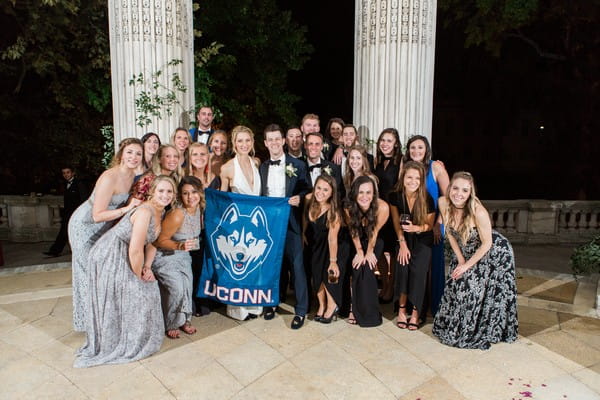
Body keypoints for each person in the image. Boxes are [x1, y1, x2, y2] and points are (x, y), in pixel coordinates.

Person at [73, 175, 176, 367]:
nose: (165, 195)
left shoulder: (160, 212)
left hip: (127, 251)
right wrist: (140, 276)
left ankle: (136, 335)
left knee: (147, 289)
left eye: (169, 191)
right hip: (111, 252)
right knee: (139, 289)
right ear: (152, 191)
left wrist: (146, 267)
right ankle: (121, 341)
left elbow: (152, 242)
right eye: (161, 191)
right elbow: (135, 249)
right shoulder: (145, 211)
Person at [432, 172, 518, 349]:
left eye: (465, 190)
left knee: (473, 289)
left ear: (470, 193)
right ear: (449, 188)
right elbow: (449, 232)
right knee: (455, 281)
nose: (459, 194)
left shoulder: (478, 212)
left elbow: (487, 244)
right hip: (465, 252)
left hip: (492, 253)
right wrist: (461, 261)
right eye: (455, 188)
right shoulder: (442, 202)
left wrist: (467, 266)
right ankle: (454, 325)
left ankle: (481, 329)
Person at [68, 138, 144, 333]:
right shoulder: (110, 176)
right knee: (91, 275)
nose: (133, 157)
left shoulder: (132, 176)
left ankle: (102, 321)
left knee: (104, 274)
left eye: (138, 153)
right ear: (121, 154)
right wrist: (127, 209)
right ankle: (94, 325)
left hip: (103, 229)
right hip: (84, 228)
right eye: (130, 152)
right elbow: (97, 215)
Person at [259, 124, 310, 329]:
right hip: (269, 225)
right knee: (272, 266)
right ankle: (271, 303)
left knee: (297, 267)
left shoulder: (298, 165)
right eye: (269, 140)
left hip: (292, 223)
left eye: (277, 139)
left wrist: (299, 197)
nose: (273, 143)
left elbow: (308, 189)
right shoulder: (261, 167)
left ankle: (301, 310)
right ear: (265, 143)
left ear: (283, 141)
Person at [220, 125, 263, 320]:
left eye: (247, 140)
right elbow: (222, 199)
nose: (244, 144)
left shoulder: (257, 162)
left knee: (254, 264)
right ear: (234, 144)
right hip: (237, 224)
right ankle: (238, 309)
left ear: (252, 142)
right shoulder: (227, 168)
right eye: (240, 141)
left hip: (255, 222)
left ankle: (254, 306)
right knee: (238, 265)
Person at [403, 134, 450, 315]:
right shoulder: (405, 167)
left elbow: (447, 198)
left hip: (434, 224)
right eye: (413, 147)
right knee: (415, 266)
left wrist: (439, 223)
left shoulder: (436, 167)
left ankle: (435, 304)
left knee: (434, 266)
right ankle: (415, 304)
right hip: (412, 227)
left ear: (426, 150)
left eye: (420, 147)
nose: (416, 151)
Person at [153, 176, 204, 339]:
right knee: (177, 288)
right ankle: (172, 323)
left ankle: (185, 320)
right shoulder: (177, 214)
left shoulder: (200, 210)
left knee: (187, 288)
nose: (190, 197)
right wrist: (178, 246)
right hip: (165, 256)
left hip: (184, 256)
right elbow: (159, 240)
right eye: (185, 193)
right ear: (180, 196)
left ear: (200, 193)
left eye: (194, 192)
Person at [389, 161, 435, 330]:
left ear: (421, 180)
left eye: (417, 178)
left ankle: (416, 313)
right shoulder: (395, 196)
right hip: (403, 239)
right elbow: (395, 222)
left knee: (418, 272)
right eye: (409, 177)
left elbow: (429, 226)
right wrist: (402, 244)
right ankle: (401, 310)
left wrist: (416, 228)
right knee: (403, 267)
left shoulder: (427, 199)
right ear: (403, 177)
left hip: (422, 240)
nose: (413, 181)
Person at [344, 176, 389, 327]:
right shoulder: (348, 207)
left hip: (374, 240)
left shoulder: (382, 207)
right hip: (355, 240)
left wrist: (369, 252)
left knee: (368, 268)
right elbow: (353, 231)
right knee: (357, 268)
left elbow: (374, 232)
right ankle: (353, 308)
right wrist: (359, 252)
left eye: (368, 192)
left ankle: (370, 312)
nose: (365, 196)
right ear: (355, 192)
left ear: (374, 193)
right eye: (361, 192)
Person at [304, 174, 347, 324]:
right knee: (316, 276)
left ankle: (332, 306)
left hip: (333, 247)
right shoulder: (310, 200)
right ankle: (322, 305)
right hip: (316, 245)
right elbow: (305, 219)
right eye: (318, 188)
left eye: (325, 190)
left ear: (332, 193)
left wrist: (333, 261)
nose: (320, 192)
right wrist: (303, 233)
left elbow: (332, 238)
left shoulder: (333, 211)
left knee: (328, 275)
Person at [373, 128, 403, 303]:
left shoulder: (400, 162)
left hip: (393, 211)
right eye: (382, 140)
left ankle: (391, 287)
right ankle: (384, 283)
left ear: (396, 144)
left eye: (389, 141)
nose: (385, 144)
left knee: (392, 252)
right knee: (379, 250)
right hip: (378, 212)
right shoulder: (376, 161)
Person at [44, 166, 89, 257]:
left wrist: (81, 214)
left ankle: (56, 251)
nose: (66, 175)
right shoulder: (65, 184)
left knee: (69, 232)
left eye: (68, 172)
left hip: (76, 214)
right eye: (64, 173)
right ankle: (55, 251)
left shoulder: (79, 184)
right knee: (64, 232)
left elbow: (84, 199)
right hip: (67, 213)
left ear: (73, 173)